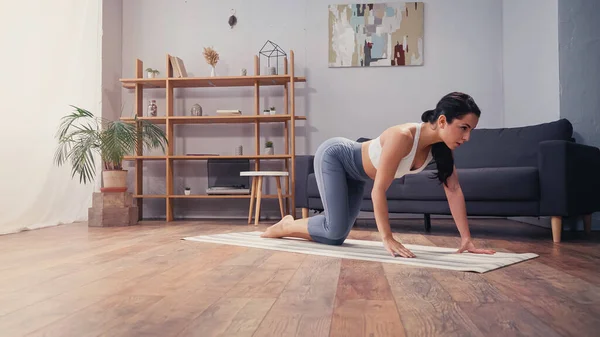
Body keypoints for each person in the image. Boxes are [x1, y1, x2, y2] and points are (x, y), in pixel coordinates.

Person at [261, 92, 496, 258]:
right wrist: (387, 238)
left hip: (357, 176)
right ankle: (286, 226)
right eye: (464, 128)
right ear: (443, 121)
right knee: (333, 232)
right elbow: (378, 191)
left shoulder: (441, 149)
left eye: (470, 130)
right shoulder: (403, 136)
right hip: (336, 157)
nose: (467, 137)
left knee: (335, 236)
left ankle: (289, 224)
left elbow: (453, 190)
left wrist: (466, 239)